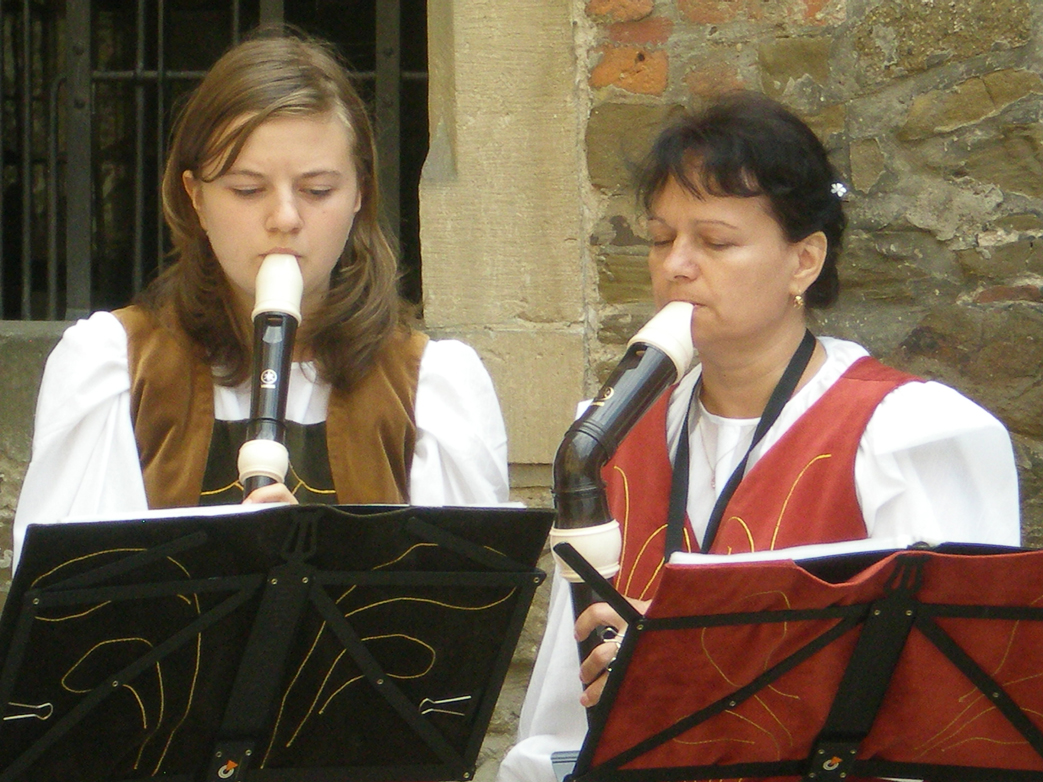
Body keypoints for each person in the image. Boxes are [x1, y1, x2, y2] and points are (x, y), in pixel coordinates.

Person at [497, 91, 1020, 782]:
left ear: (804, 261)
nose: (675, 266)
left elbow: (951, 714)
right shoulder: (610, 436)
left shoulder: (907, 432)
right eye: (660, 238)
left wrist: (685, 667)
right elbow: (563, 720)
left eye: (714, 242)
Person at [13, 32, 509, 568]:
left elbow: (450, 608)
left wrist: (311, 571)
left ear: (359, 194)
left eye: (318, 190)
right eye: (247, 190)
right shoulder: (117, 367)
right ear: (196, 197)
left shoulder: (428, 387)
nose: (285, 218)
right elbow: (78, 602)